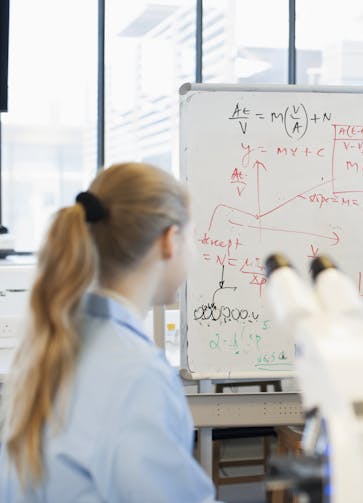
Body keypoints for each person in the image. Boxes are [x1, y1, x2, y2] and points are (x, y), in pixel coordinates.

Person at [0, 162, 219, 502]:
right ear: (169, 241)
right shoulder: (136, 375)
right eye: (193, 238)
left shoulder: (60, 340)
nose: (197, 253)